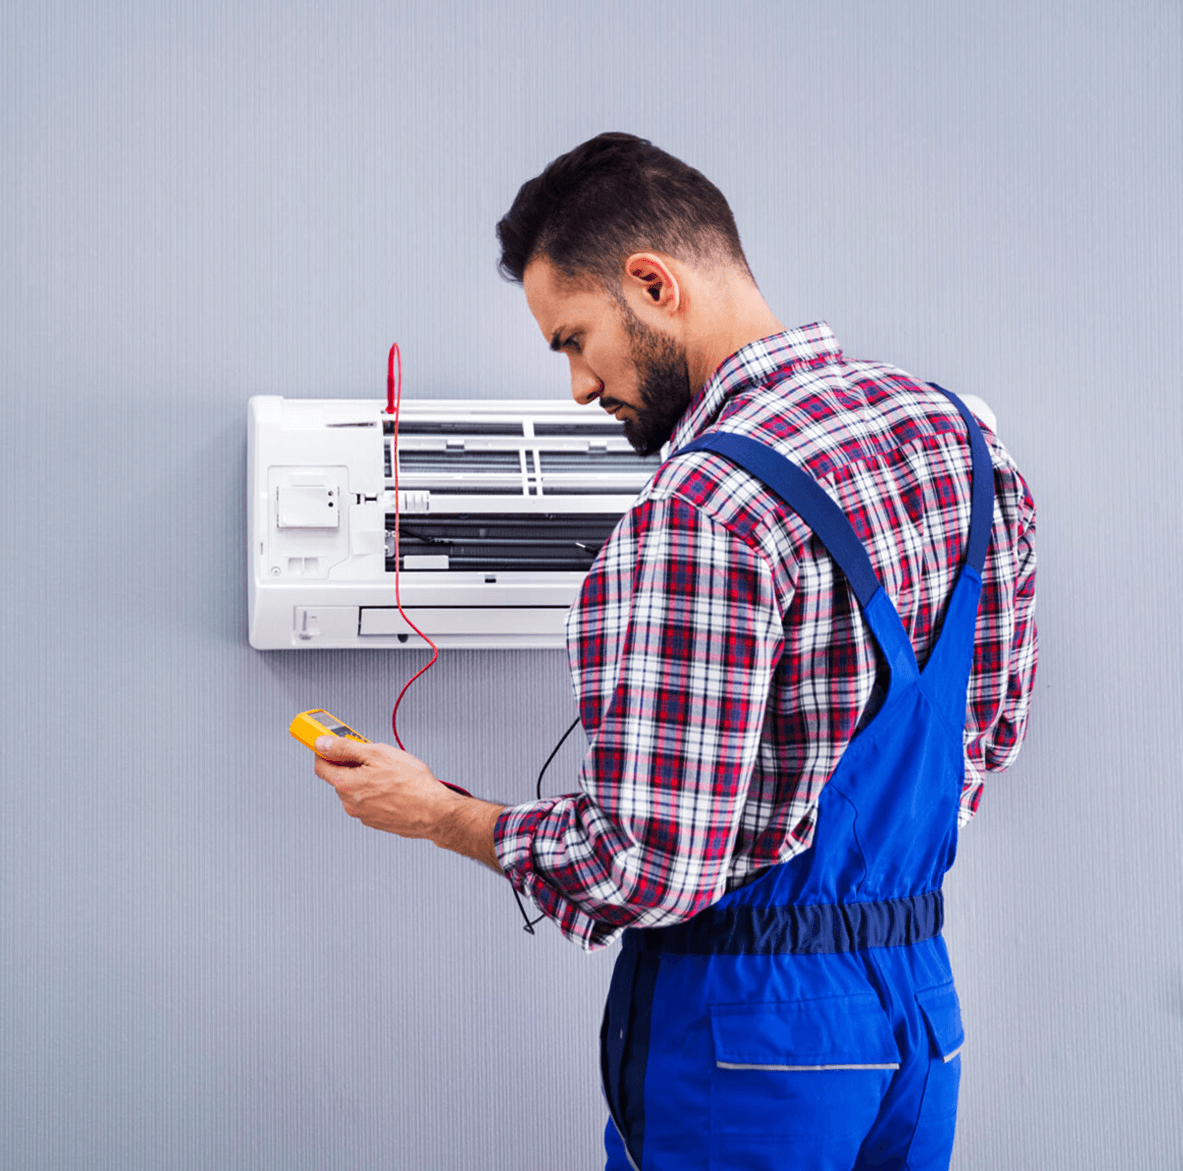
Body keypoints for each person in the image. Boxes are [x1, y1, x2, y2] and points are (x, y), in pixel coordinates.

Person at [310, 132, 1038, 1170]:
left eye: (572, 338)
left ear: (652, 284)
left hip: (749, 1039)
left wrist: (440, 814)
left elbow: (645, 865)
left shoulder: (701, 507)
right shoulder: (960, 439)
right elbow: (986, 733)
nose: (575, 386)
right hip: (918, 1016)